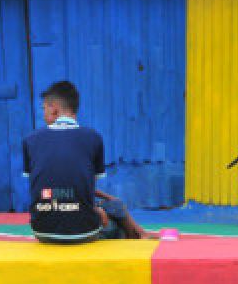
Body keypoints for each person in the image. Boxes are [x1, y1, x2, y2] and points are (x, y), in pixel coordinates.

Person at [22, 80, 149, 244]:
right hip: (83, 232)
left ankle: (138, 232)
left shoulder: (30, 140)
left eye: (44, 108)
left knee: (112, 205)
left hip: (43, 231)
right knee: (115, 212)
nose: (44, 113)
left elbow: (45, 186)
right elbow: (83, 187)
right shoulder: (92, 138)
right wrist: (97, 209)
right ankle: (136, 235)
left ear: (53, 108)